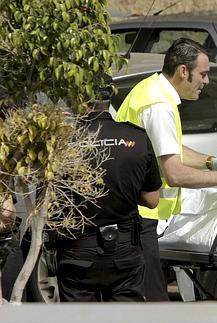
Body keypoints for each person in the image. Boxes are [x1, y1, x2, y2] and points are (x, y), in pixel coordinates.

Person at [115, 38, 217, 301]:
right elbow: (174, 174)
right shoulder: (158, 106)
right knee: (153, 303)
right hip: (140, 216)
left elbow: (168, 148)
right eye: (203, 74)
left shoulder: (151, 89)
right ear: (182, 71)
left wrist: (212, 162)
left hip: (135, 216)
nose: (207, 81)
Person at [55, 81, 162, 302]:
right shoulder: (137, 136)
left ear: (80, 99)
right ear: (109, 99)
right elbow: (152, 200)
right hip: (124, 249)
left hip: (78, 250)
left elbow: (48, 204)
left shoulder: (61, 141)